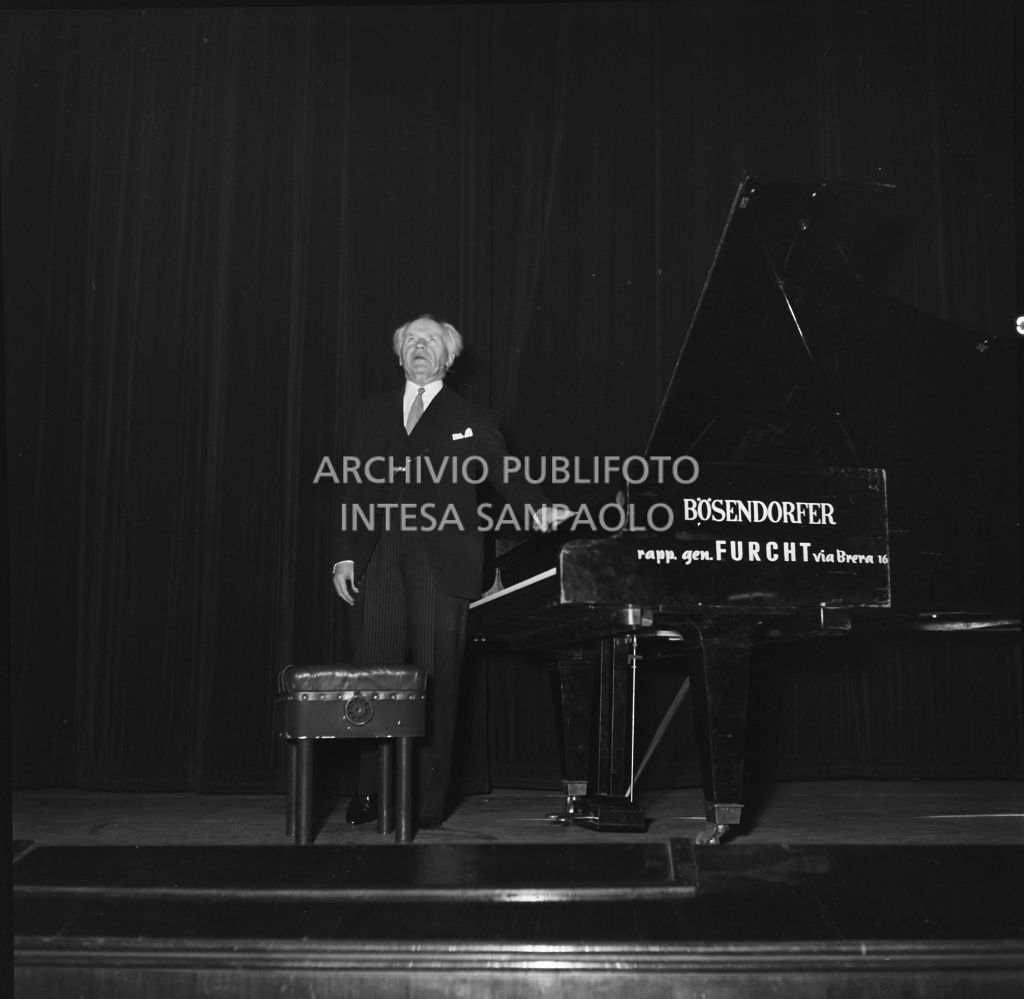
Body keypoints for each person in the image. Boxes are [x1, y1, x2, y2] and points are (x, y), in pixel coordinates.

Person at [332, 314, 567, 827]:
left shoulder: (473, 416)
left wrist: (539, 507)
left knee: (437, 679)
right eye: (411, 341)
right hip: (379, 556)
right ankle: (370, 791)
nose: (420, 347)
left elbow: (504, 470)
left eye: (431, 341)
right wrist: (346, 554)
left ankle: (427, 801)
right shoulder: (371, 412)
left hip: (444, 559)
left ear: (449, 357)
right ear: (399, 355)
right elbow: (354, 487)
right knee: (374, 673)